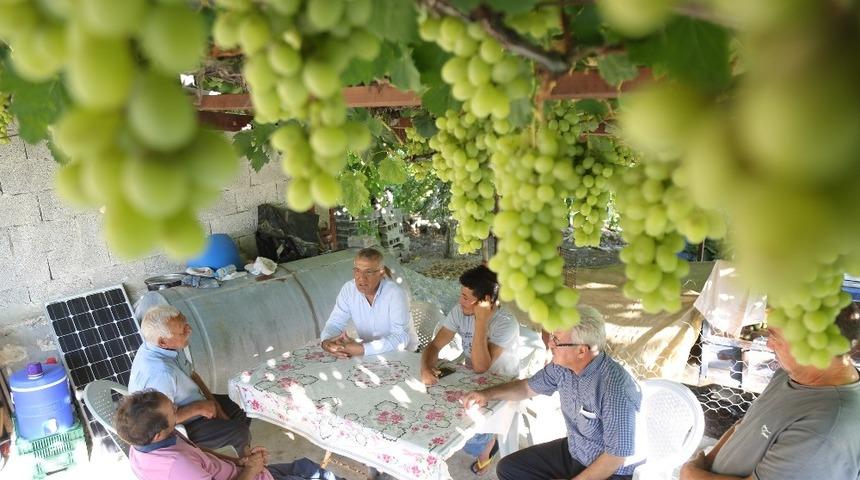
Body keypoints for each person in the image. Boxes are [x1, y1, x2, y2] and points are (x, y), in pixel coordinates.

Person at [680, 302, 860, 480]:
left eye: (774, 336)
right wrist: (706, 463)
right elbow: (746, 424)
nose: (768, 345)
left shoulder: (825, 429)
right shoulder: (789, 374)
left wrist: (692, 475)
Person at [462, 306, 642, 480]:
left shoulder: (615, 389)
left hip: (612, 471)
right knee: (509, 469)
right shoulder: (562, 368)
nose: (549, 343)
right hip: (577, 450)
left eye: (556, 339)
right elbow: (527, 388)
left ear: (581, 350)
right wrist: (486, 394)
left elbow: (616, 456)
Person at [420, 265, 520, 474]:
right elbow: (435, 345)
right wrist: (426, 367)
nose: (460, 301)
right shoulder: (459, 311)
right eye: (461, 295)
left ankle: (489, 447)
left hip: (501, 383)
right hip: (470, 378)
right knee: (431, 407)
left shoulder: (506, 323)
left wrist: (481, 321)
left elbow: (481, 366)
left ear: (485, 301)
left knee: (474, 431)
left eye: (466, 297)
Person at [116, 390, 342, 480]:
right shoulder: (176, 467)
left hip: (242, 472)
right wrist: (251, 469)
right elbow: (188, 461)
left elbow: (197, 452)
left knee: (305, 467)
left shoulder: (146, 442)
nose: (177, 408)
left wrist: (239, 461)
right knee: (312, 476)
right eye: (172, 411)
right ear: (157, 434)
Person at [129, 305, 251, 454]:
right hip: (177, 425)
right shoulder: (160, 375)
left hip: (192, 403)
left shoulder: (168, 347)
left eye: (186, 324)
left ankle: (234, 450)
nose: (189, 331)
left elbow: (192, 375)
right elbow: (158, 423)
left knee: (245, 405)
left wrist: (214, 404)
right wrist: (199, 408)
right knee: (239, 432)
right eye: (182, 331)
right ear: (163, 342)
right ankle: (247, 464)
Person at [320, 248, 418, 357]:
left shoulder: (395, 294)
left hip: (403, 354)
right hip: (369, 354)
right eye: (357, 270)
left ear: (381, 273)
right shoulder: (349, 289)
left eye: (368, 272)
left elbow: (401, 337)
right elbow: (335, 323)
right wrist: (327, 343)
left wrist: (362, 349)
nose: (361, 278)